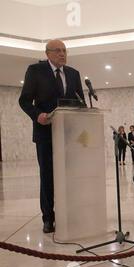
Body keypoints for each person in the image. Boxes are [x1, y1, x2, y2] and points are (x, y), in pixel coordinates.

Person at [19, 39, 85, 234]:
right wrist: (36, 114)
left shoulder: (73, 74)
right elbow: (24, 100)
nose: (62, 54)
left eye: (64, 50)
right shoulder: (35, 70)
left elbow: (80, 102)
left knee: (69, 176)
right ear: (47, 53)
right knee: (47, 176)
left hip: (68, 134)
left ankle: (69, 214)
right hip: (45, 133)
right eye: (58, 50)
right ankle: (48, 217)